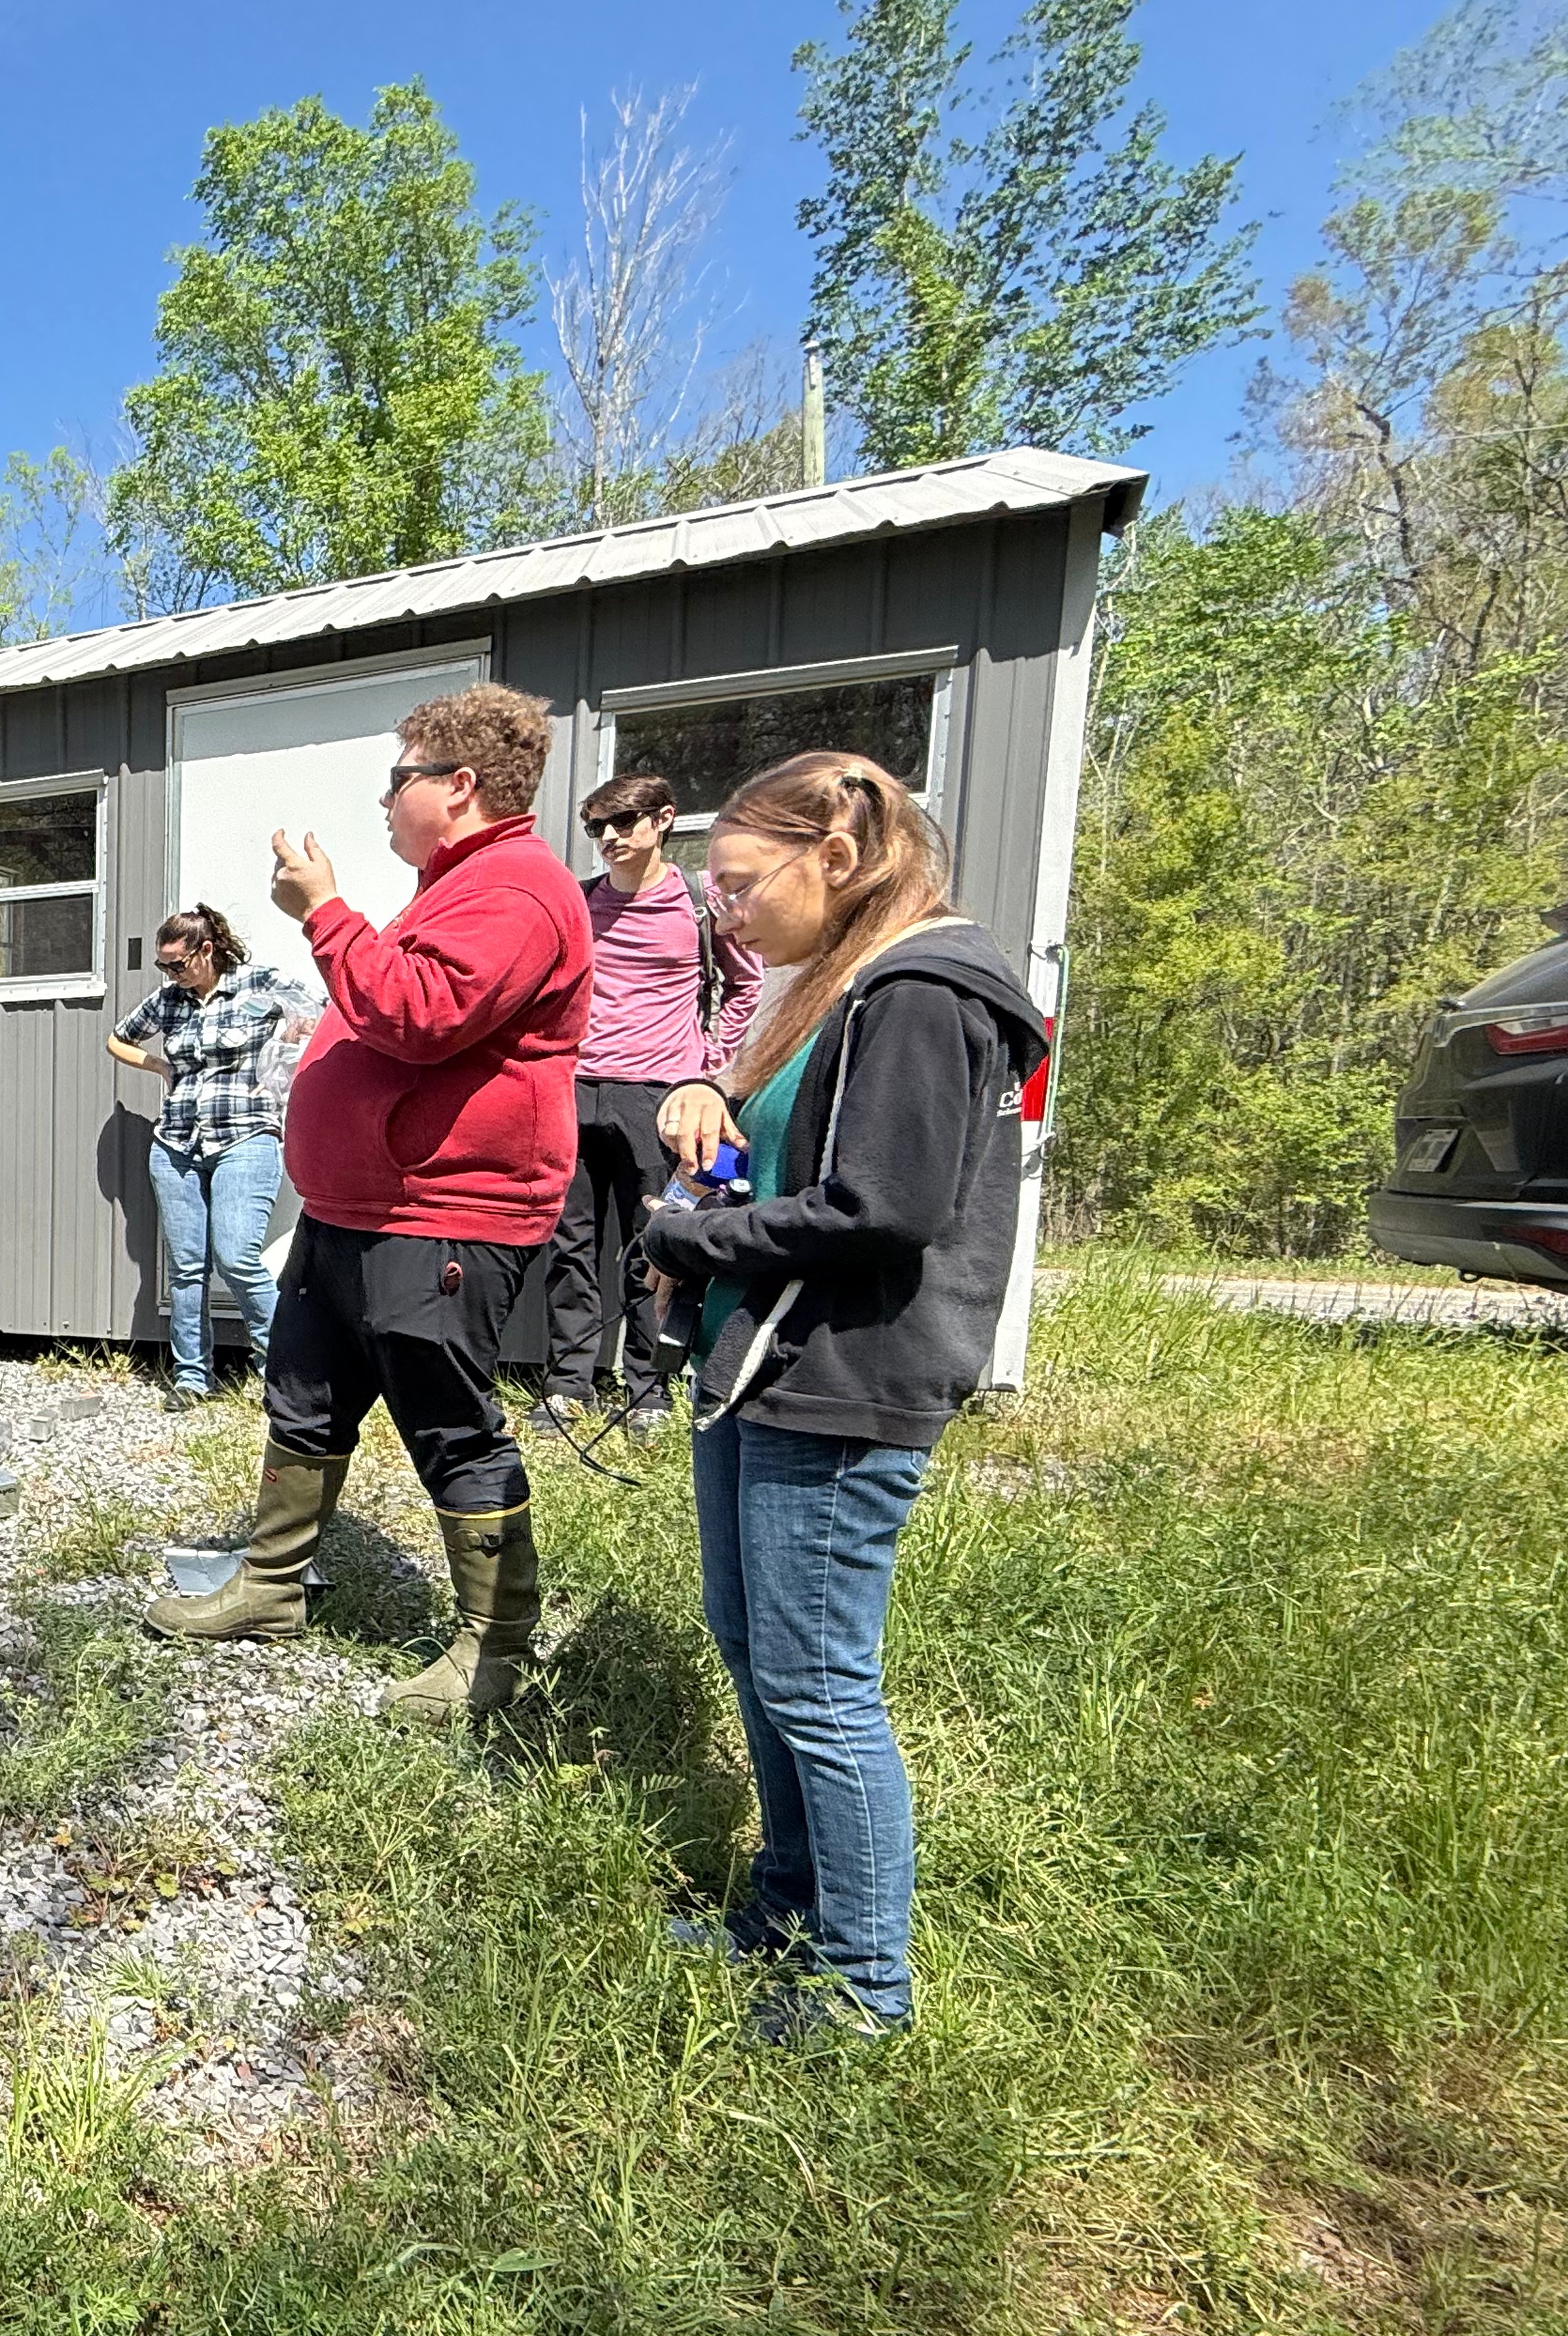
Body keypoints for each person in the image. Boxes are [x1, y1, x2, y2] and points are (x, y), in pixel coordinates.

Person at [639, 751, 1049, 2039]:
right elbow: (795, 1136)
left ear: (838, 855)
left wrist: (689, 1244)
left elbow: (887, 1207)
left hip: (846, 1377)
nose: (728, 914)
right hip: (768, 1362)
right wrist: (709, 1089)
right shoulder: (838, 987)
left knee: (819, 1683)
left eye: (744, 884)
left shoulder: (925, 987)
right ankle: (782, 1910)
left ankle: (865, 1987)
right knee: (757, 1649)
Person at [150, 680, 592, 1729]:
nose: (385, 800)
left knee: (450, 1423)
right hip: (359, 1209)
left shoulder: (521, 888)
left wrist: (325, 914)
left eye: (398, 779)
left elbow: (420, 1013)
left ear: (461, 785)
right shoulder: (461, 885)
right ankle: (270, 1587)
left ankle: (495, 1652)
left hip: (445, 1212)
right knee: (304, 1392)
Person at [531, 773, 758, 1437]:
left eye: (623, 823)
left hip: (660, 1096)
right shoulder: (578, 902)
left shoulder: (697, 902)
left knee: (653, 1240)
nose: (609, 838)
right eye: (597, 828)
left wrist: (706, 1069)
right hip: (575, 1089)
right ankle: (568, 1384)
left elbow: (745, 985)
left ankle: (648, 1391)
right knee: (570, 1244)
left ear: (663, 819)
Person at [105, 899, 323, 1406]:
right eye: (164, 966)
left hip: (246, 1138)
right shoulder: (170, 1000)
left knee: (236, 1257)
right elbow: (117, 1038)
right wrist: (160, 1067)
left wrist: (296, 1032)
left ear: (206, 950)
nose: (171, 974)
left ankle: (284, 1376)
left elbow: (326, 1010)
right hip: (176, 1142)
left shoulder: (258, 983)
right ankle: (191, 1377)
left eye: (178, 964)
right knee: (186, 1267)